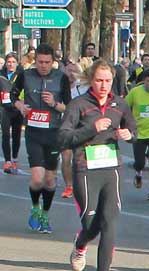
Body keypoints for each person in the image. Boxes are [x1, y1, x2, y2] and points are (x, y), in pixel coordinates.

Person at [59, 59, 137, 271]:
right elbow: (63, 138)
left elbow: (134, 131)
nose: (104, 86)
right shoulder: (78, 105)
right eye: (99, 80)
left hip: (111, 168)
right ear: (91, 81)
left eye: (108, 81)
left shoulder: (120, 104)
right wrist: (92, 128)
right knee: (91, 225)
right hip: (85, 168)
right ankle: (81, 243)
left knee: (109, 224)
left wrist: (128, 134)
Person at [12, 43, 71, 234]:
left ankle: (45, 214)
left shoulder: (61, 77)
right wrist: (20, 106)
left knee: (50, 180)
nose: (43, 66)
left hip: (53, 133)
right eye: (40, 62)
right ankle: (35, 207)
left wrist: (54, 104)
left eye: (47, 62)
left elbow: (69, 107)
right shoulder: (26, 75)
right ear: (35, 60)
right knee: (37, 179)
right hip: (33, 133)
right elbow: (13, 96)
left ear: (53, 62)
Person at [126, 69, 149, 202]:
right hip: (139, 133)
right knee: (140, 162)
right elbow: (125, 108)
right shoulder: (135, 92)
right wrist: (128, 125)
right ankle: (138, 173)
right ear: (143, 81)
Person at [60, 61, 89, 200]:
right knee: (66, 158)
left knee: (82, 157)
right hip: (65, 126)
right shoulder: (59, 87)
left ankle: (83, 184)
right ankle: (69, 186)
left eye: (74, 71)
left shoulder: (84, 88)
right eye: (68, 70)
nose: (71, 74)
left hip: (81, 126)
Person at [0, 52, 24, 175]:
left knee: (16, 135)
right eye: (9, 62)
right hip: (4, 108)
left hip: (17, 108)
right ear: (6, 63)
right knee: (5, 134)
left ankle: (14, 158)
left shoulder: (21, 74)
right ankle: (7, 161)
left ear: (17, 63)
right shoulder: (1, 74)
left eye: (13, 62)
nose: (11, 64)